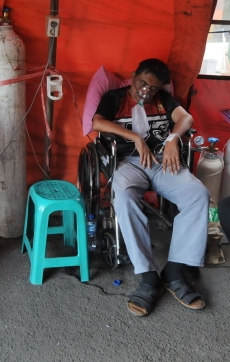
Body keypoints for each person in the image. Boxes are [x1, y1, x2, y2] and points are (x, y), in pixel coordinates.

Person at [92, 58, 209, 317]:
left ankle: (174, 270)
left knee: (198, 194)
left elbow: (185, 118)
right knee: (123, 197)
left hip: (160, 161)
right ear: (133, 76)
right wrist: (135, 138)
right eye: (142, 83)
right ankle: (148, 277)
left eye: (153, 87)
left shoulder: (163, 100)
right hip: (128, 163)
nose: (146, 90)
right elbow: (97, 123)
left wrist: (172, 138)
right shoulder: (116, 98)